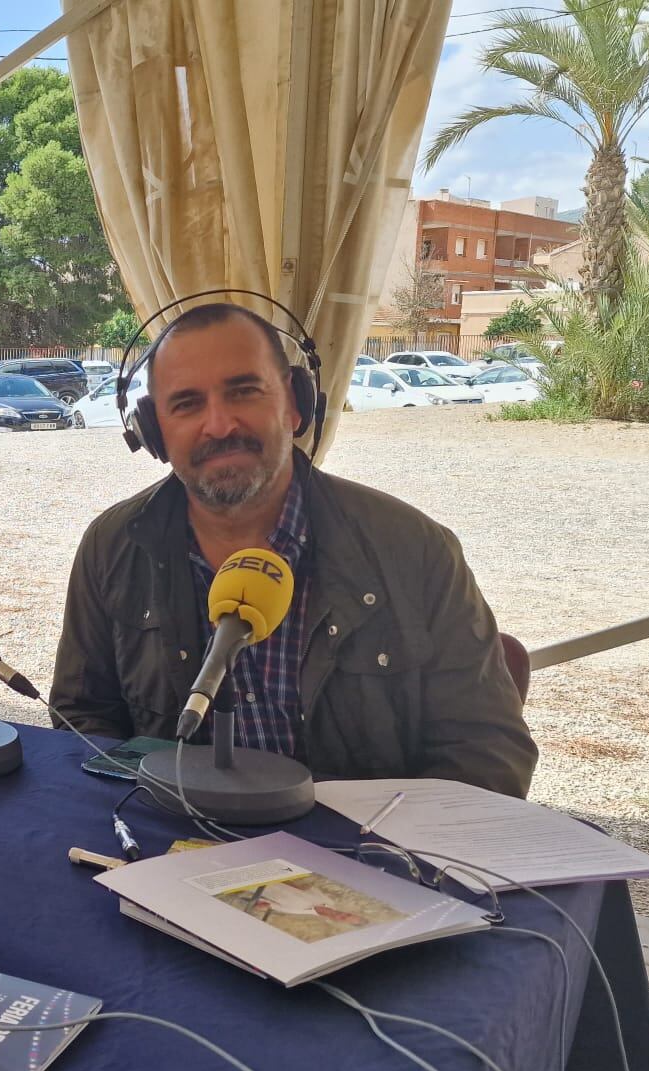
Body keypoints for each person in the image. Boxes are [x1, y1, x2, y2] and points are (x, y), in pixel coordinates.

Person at [51, 304, 537, 797]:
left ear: (296, 405)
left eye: (244, 391)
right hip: (168, 841)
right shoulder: (112, 547)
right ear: (152, 432)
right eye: (187, 404)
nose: (218, 425)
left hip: (363, 854)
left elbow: (488, 754)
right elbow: (82, 724)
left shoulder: (415, 550)